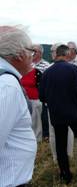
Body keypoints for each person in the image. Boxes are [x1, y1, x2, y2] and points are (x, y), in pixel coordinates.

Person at [39, 44, 77, 184]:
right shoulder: (73, 69)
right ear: (67, 54)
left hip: (56, 114)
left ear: (56, 55)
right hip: (73, 113)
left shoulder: (47, 72)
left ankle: (65, 175)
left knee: (60, 144)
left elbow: (42, 96)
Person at [0, 26, 37, 186]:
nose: (32, 57)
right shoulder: (6, 85)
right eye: (31, 51)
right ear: (20, 54)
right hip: (10, 180)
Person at [48, 43, 74, 162]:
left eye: (52, 51)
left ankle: (58, 156)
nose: (52, 54)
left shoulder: (48, 69)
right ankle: (64, 155)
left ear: (57, 53)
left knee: (55, 131)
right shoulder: (73, 68)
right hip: (69, 105)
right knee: (66, 130)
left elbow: (43, 92)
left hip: (53, 106)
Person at [20, 64, 43, 142]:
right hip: (23, 99)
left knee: (36, 120)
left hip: (35, 99)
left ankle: (38, 137)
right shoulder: (19, 72)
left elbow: (41, 85)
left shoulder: (36, 72)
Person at [33, 44, 50, 141]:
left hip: (41, 94)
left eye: (34, 51)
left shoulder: (46, 65)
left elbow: (48, 81)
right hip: (28, 95)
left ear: (40, 53)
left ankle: (45, 134)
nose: (32, 53)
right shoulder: (28, 64)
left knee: (43, 114)